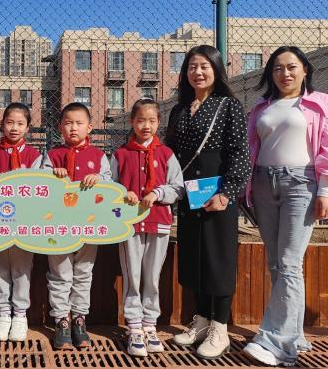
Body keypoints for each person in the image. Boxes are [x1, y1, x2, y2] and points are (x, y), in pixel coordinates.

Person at [242, 46, 328, 367]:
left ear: (305, 69)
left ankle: (276, 343)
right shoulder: (261, 106)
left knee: (290, 263)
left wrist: (326, 190)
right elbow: (252, 147)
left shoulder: (321, 103)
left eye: (292, 67)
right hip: (263, 183)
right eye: (278, 68)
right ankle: (294, 335)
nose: (285, 73)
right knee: (277, 264)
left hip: (301, 184)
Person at [165, 45, 250, 360]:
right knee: (194, 257)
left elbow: (240, 153)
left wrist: (226, 193)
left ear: (216, 69)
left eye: (204, 66)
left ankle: (219, 328)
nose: (197, 72)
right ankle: (200, 321)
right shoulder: (179, 110)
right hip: (190, 195)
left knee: (219, 260)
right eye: (191, 67)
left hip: (217, 195)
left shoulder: (228, 106)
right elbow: (170, 153)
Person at [111, 98, 185, 357]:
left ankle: (150, 325)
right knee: (132, 274)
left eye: (152, 121)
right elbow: (110, 185)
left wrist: (157, 193)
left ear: (158, 123)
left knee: (153, 276)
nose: (146, 126)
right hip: (129, 224)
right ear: (132, 122)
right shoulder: (120, 154)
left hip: (159, 222)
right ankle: (134, 326)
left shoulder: (166, 154)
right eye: (141, 120)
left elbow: (177, 187)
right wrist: (123, 193)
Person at [42, 102, 111, 350]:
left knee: (83, 272)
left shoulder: (99, 156)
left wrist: (99, 179)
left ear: (89, 127)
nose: (73, 128)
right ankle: (61, 320)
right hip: (57, 225)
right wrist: (53, 176)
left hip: (88, 225)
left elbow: (109, 183)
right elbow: (41, 184)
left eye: (79, 123)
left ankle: (79, 319)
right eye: (68, 123)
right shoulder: (52, 156)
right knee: (60, 274)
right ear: (60, 127)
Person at [0, 102, 43, 342]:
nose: (14, 128)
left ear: (28, 127)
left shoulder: (35, 156)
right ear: (1, 125)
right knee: (0, 268)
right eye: (9, 122)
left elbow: (37, 187)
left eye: (20, 123)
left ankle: (20, 315)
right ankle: (3, 314)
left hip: (24, 223)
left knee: (22, 269)